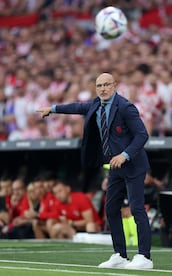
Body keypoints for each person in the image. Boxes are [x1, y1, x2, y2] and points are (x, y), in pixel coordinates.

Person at [37, 73, 153, 269]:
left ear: (115, 85)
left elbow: (142, 135)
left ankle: (144, 257)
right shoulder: (95, 104)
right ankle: (120, 255)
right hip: (115, 167)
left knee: (137, 208)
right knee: (110, 209)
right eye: (99, 85)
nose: (103, 88)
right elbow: (76, 107)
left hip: (132, 164)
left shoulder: (125, 107)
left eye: (106, 84)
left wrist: (125, 155)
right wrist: (53, 109)